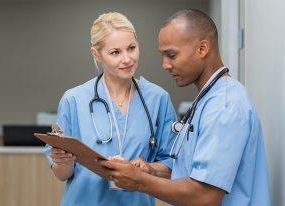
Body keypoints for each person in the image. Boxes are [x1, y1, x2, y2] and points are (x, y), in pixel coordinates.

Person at [100, 9, 271, 206]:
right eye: (163, 55)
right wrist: (151, 171)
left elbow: (204, 196)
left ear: (202, 49)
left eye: (171, 55)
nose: (165, 64)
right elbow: (189, 170)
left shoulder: (225, 106)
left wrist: (139, 181)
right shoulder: (207, 100)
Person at [44, 12, 176, 206]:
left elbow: (171, 165)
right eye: (115, 52)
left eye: (131, 48)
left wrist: (148, 169)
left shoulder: (158, 98)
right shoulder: (74, 99)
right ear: (96, 54)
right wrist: (62, 162)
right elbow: (62, 175)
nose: (127, 59)